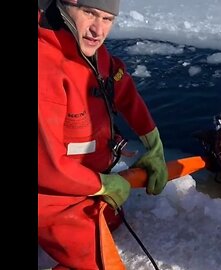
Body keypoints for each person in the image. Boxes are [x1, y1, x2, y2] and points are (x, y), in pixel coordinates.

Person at [38, 0, 169, 269]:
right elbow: (45, 168)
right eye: (90, 13)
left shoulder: (94, 57)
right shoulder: (45, 69)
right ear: (64, 8)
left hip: (83, 186)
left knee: (111, 222)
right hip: (50, 198)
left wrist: (153, 143)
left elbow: (124, 90)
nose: (98, 30)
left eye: (108, 19)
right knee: (99, 263)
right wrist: (103, 184)